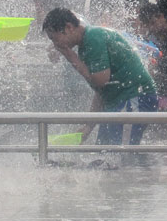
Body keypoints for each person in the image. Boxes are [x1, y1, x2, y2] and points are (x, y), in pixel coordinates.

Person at [43, 8, 158, 145]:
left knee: (121, 155)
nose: (55, 44)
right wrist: (88, 127)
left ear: (68, 28)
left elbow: (100, 81)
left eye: (54, 38)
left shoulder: (93, 38)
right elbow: (103, 91)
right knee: (102, 153)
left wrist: (69, 54)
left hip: (135, 98)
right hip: (120, 102)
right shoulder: (86, 44)